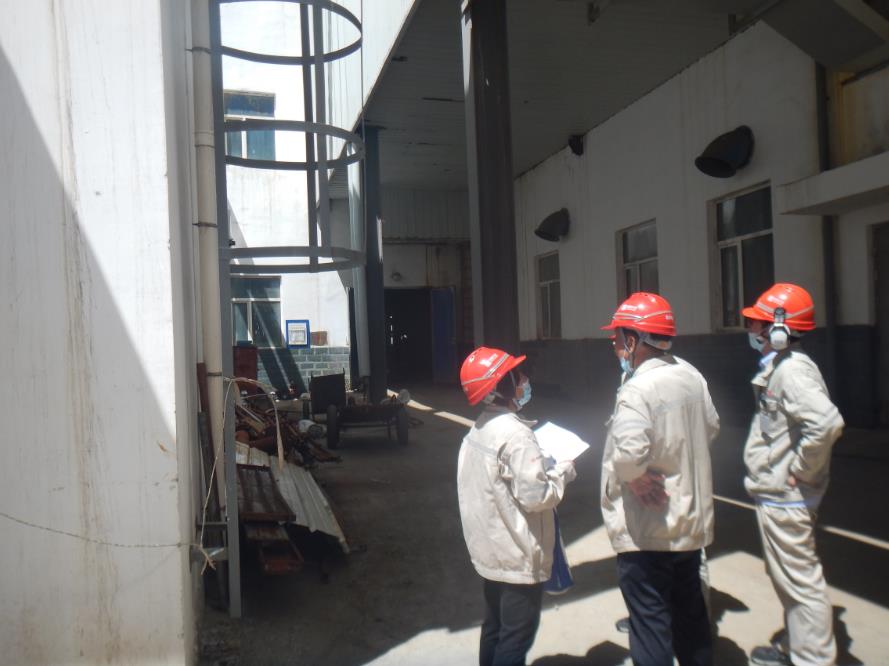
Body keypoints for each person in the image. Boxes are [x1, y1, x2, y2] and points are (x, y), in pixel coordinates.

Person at [600, 292, 719, 666]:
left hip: (650, 530)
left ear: (633, 340)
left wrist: (634, 478)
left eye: (618, 338)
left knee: (650, 624)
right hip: (689, 524)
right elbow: (712, 426)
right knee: (691, 618)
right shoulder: (691, 375)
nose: (615, 346)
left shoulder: (637, 389)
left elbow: (628, 454)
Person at [741, 283, 844, 666]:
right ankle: (796, 645)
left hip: (788, 498)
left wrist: (800, 470)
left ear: (780, 329)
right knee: (788, 577)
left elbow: (826, 424)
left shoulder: (793, 372)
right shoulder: (782, 367)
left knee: (801, 582)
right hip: (778, 496)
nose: (751, 330)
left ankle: (812, 658)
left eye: (757, 323)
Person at [457, 346, 576, 666]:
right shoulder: (516, 435)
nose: (524, 380)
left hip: (491, 552)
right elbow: (537, 497)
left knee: (494, 628)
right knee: (515, 638)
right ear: (501, 387)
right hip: (517, 556)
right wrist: (562, 472)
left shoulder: (478, 429)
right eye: (516, 375)